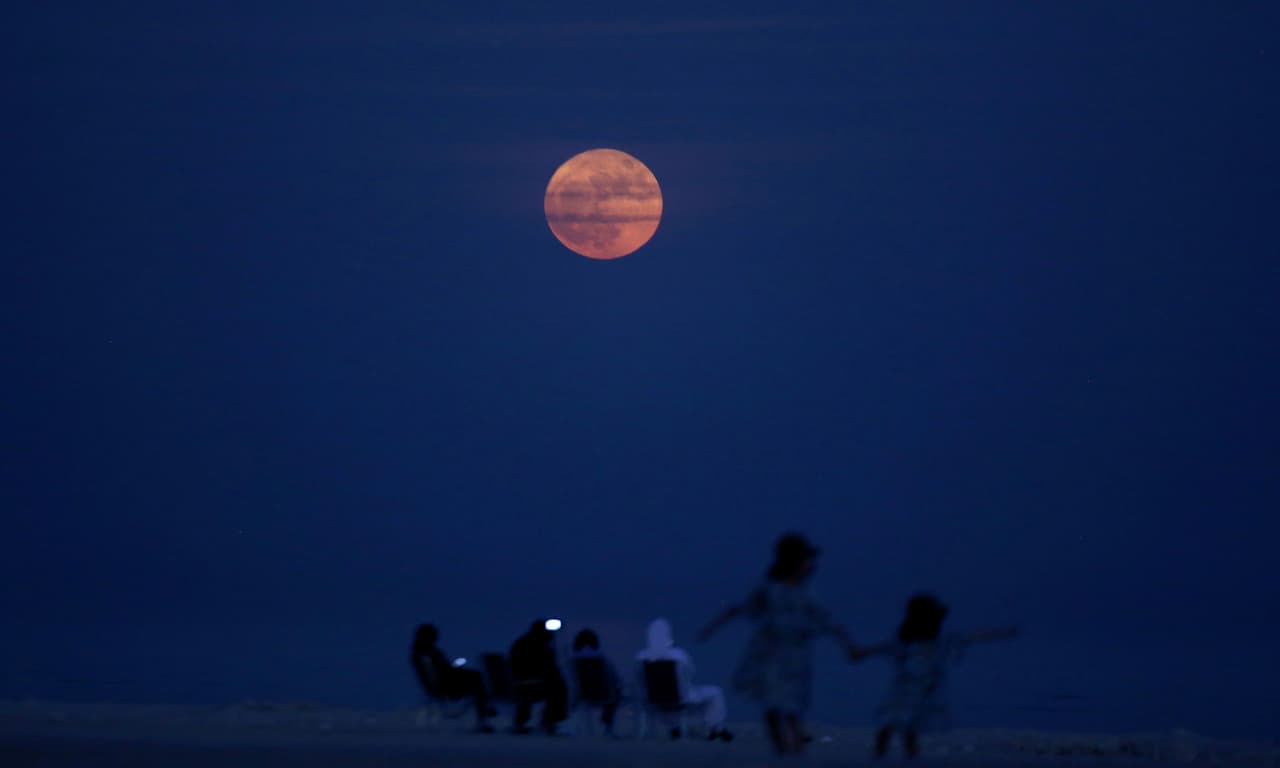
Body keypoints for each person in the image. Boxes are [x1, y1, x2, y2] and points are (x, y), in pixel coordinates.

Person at [699, 532, 860, 756]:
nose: (809, 565)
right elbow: (742, 609)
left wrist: (850, 647)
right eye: (805, 560)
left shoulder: (805, 594)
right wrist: (711, 628)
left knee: (791, 708)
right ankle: (785, 752)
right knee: (775, 707)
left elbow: (827, 621)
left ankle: (794, 751)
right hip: (772, 657)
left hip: (795, 659)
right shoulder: (772, 590)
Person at [860, 593, 1017, 759]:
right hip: (910, 690)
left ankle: (890, 757)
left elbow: (973, 637)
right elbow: (972, 637)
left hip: (914, 690)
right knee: (899, 728)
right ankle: (891, 757)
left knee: (900, 728)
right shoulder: (919, 643)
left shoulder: (926, 643)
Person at [637, 618, 733, 741]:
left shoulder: (641, 656)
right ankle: (716, 728)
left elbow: (640, 679)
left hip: (653, 699)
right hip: (680, 698)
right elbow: (690, 673)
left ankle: (675, 727)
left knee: (674, 701)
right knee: (715, 692)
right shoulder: (678, 655)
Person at [408, 623, 495, 732]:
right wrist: (456, 670)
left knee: (476, 677)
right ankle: (483, 714)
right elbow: (438, 673)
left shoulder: (423, 653)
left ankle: (484, 710)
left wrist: (455, 670)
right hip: (445, 685)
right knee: (476, 679)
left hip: (445, 682)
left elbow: (440, 671)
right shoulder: (426, 654)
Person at [509, 619, 569, 734]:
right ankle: (550, 721)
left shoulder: (522, 643)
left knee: (556, 685)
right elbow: (547, 667)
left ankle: (524, 721)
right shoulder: (538, 645)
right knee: (559, 687)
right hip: (531, 685)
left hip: (521, 684)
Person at [569, 628, 624, 735]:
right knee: (616, 693)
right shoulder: (602, 659)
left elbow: (572, 679)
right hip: (604, 693)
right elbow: (614, 677)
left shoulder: (573, 660)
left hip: (582, 694)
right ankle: (607, 722)